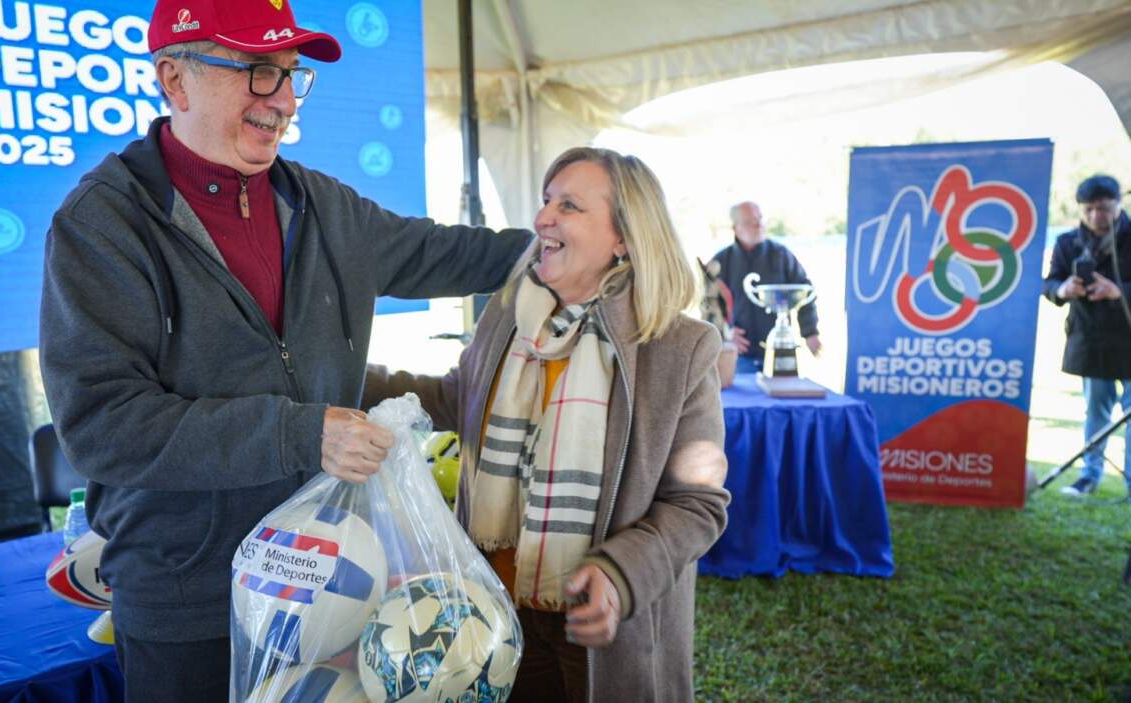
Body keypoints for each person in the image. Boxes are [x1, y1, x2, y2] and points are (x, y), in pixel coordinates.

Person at [38, 1, 532, 699]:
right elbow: (103, 425)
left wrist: (555, 248)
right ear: (174, 81)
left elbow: (446, 252)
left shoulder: (323, 207)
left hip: (331, 580)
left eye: (291, 76)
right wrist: (301, 433)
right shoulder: (103, 226)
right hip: (190, 601)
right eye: (256, 72)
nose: (281, 103)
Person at [367, 147, 732, 702]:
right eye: (544, 201)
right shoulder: (509, 320)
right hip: (494, 610)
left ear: (624, 238)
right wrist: (342, 373)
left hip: (598, 631)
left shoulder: (679, 348)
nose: (542, 219)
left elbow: (697, 505)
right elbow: (457, 397)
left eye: (569, 205)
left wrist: (619, 573)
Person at [1042, 174, 1131, 498]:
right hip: (1092, 342)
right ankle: (1089, 476)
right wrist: (1062, 289)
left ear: (1119, 204)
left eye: (1104, 208)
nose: (1097, 216)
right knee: (1096, 412)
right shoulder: (1068, 242)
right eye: (1089, 209)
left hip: (1128, 338)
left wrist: (1118, 291)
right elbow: (1049, 283)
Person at [711, 200, 820, 374]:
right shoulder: (720, 262)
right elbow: (708, 307)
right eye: (750, 221)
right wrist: (724, 334)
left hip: (780, 349)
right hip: (738, 355)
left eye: (760, 218)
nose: (759, 224)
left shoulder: (782, 255)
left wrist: (810, 332)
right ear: (736, 228)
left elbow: (804, 292)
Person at [698, 255, 740, 387]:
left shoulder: (718, 284)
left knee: (717, 326)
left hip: (717, 310)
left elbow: (726, 299)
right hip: (707, 308)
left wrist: (725, 313)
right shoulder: (704, 282)